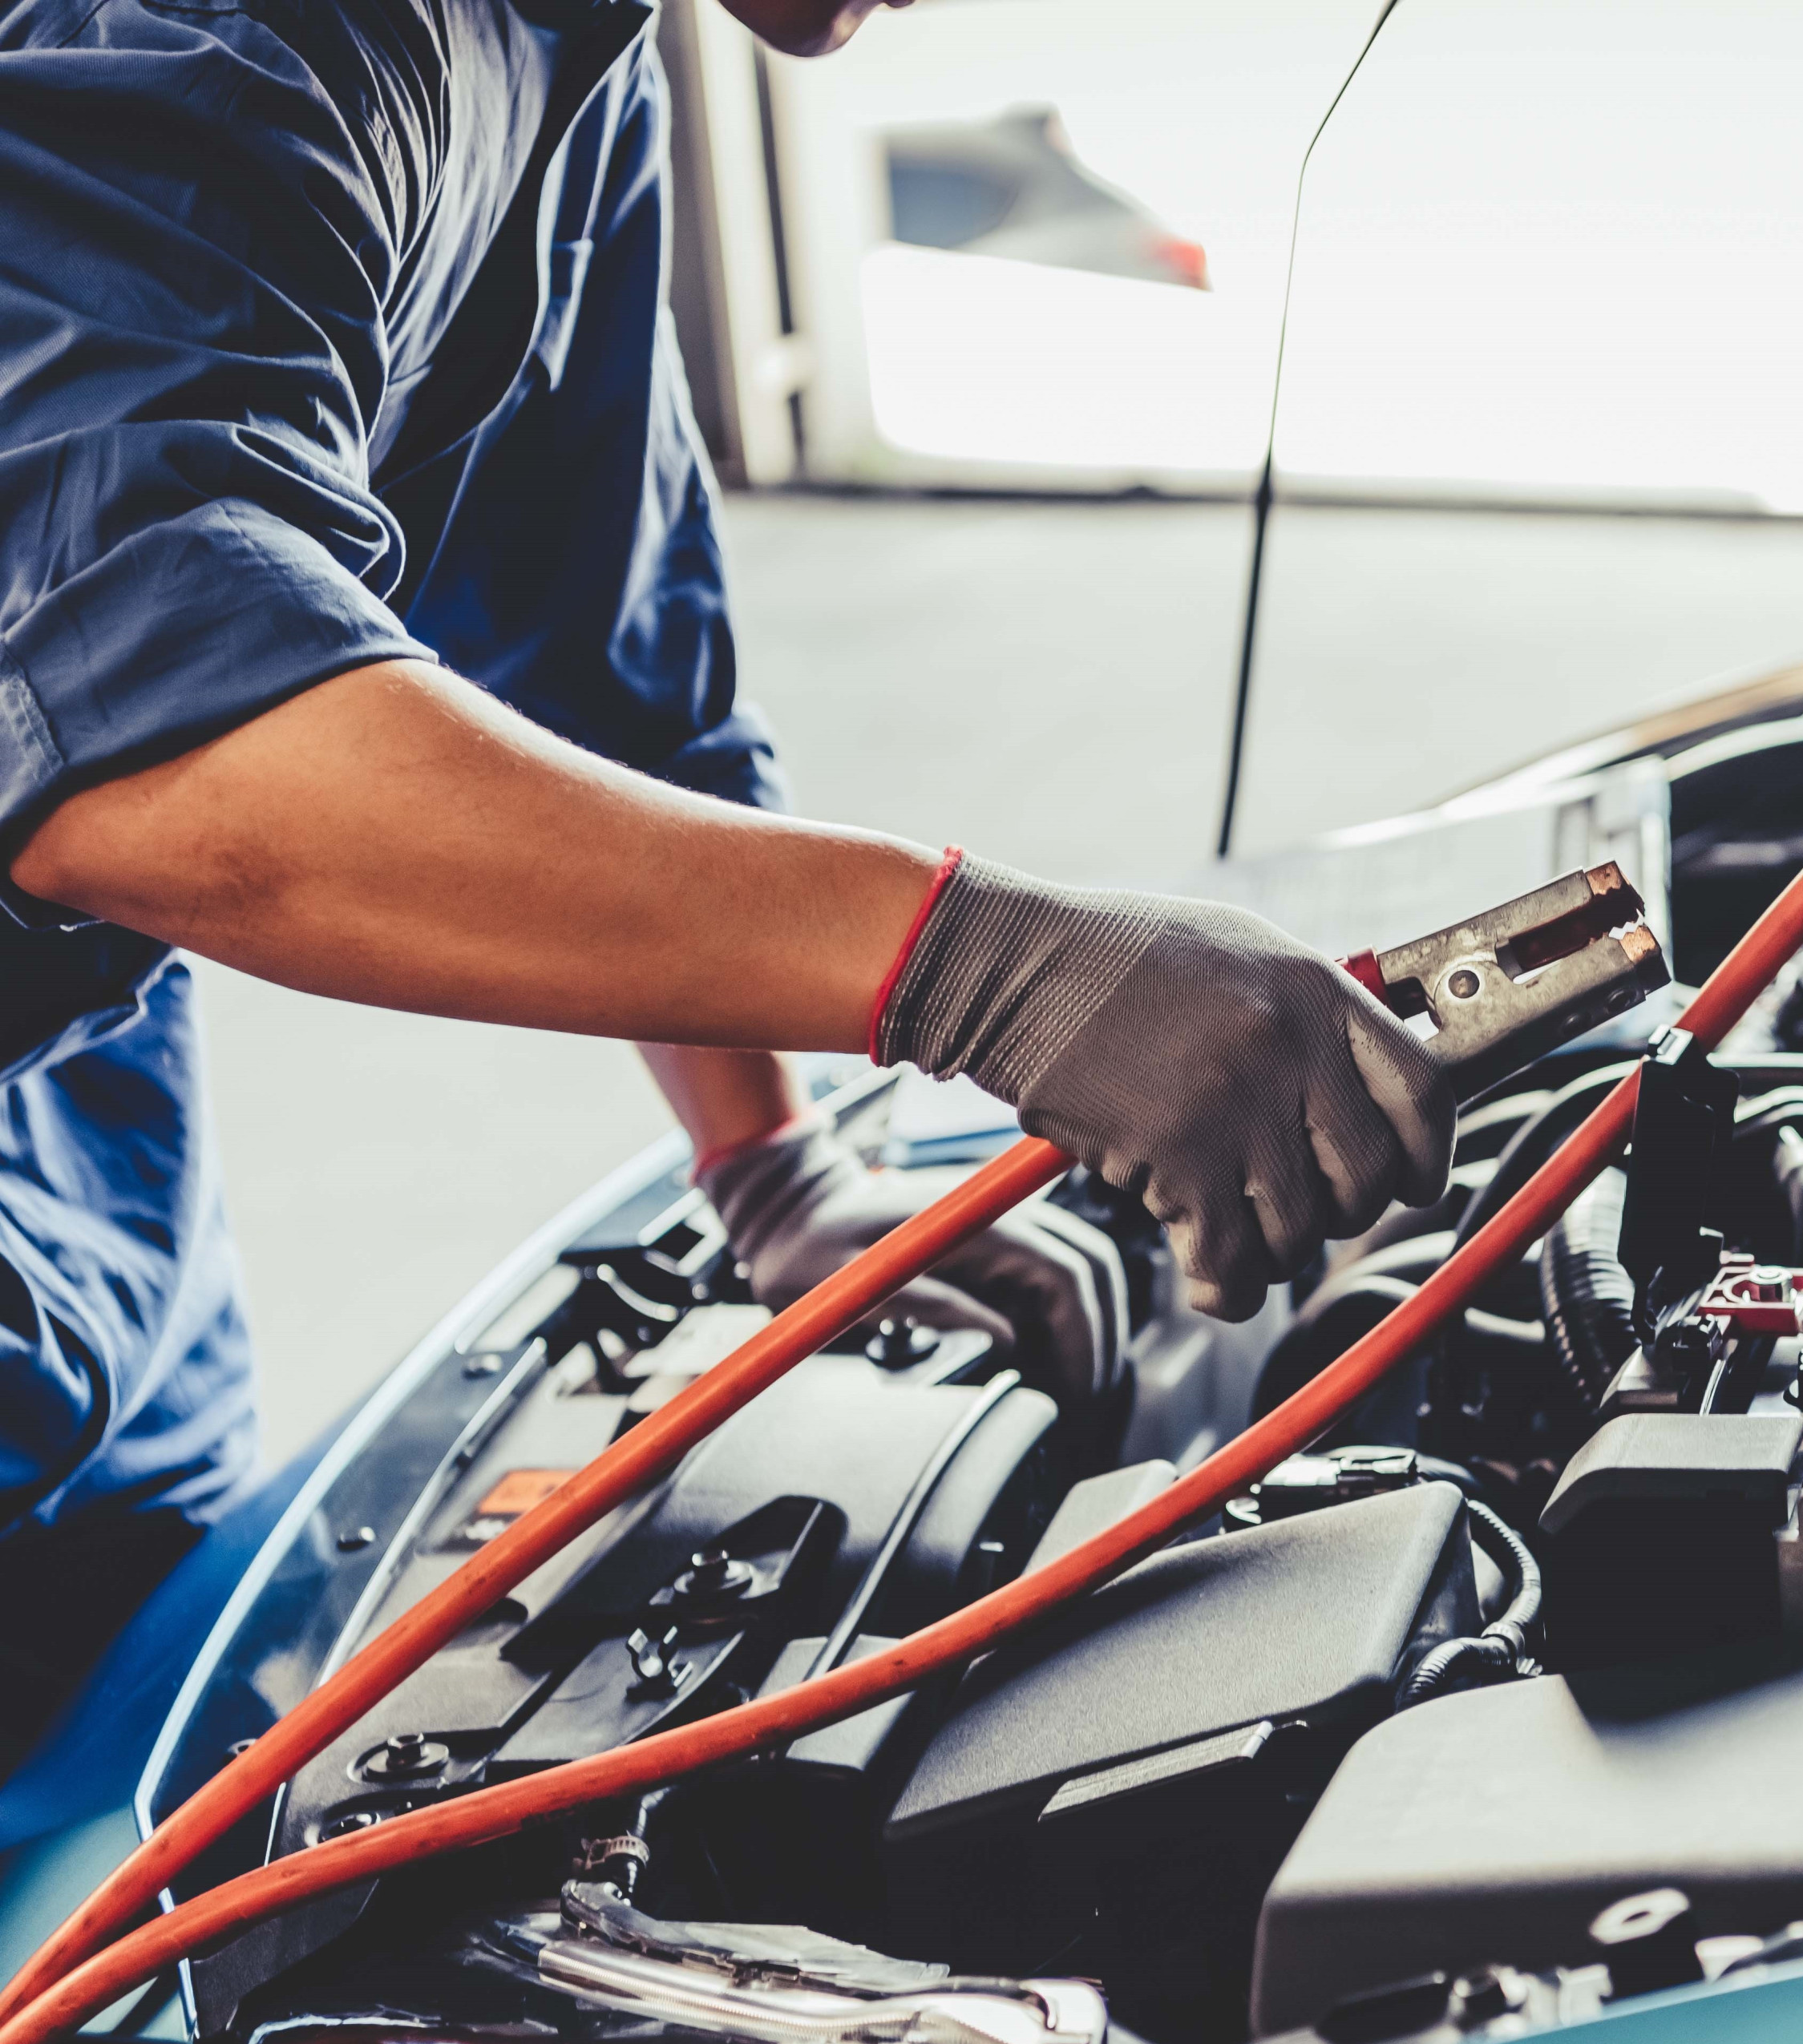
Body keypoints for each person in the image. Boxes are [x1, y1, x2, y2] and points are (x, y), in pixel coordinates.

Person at [0, 0, 1449, 1748]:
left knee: (120, 1763)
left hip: (88, 1153)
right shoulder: (223, 34)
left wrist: (769, 1163)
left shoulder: (572, 53)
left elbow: (598, 655)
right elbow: (147, 746)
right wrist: (996, 973)